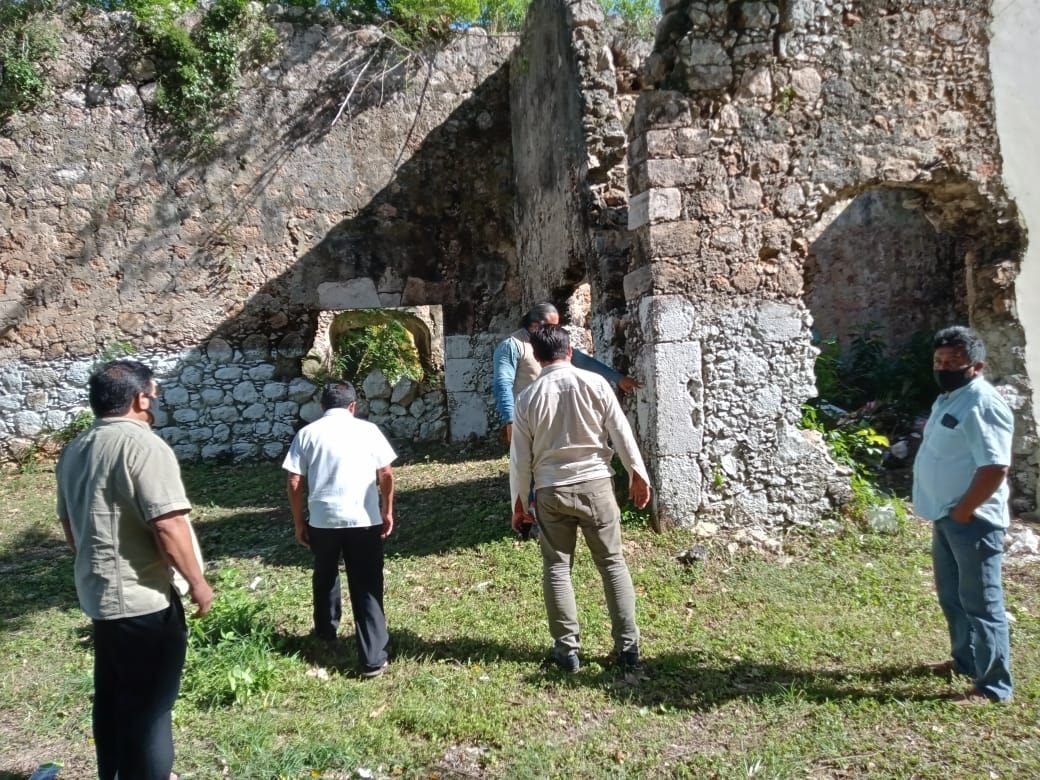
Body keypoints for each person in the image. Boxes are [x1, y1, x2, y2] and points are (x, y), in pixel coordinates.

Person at [56, 359, 213, 780]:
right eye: (154, 397)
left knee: (111, 698)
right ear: (141, 397)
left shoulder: (76, 448)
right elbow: (168, 523)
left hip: (100, 595)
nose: (154, 405)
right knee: (153, 708)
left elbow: (70, 526)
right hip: (144, 599)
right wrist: (198, 583)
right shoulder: (144, 446)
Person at [510, 324, 652, 673]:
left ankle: (567, 651)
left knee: (557, 568)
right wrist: (637, 474)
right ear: (570, 351)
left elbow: (520, 458)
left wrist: (518, 503)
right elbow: (621, 431)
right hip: (596, 485)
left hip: (550, 489)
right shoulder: (596, 384)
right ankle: (628, 648)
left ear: (538, 359)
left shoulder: (527, 398)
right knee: (613, 564)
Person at [912, 325, 1014, 704]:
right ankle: (966, 660)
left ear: (977, 365)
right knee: (953, 595)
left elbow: (994, 467)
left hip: (972, 520)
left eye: (953, 362)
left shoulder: (982, 402)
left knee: (982, 603)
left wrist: (964, 512)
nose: (943, 367)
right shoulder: (951, 396)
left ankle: (993, 686)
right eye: (939, 361)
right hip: (948, 515)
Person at [283, 380, 396, 678]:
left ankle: (325, 629)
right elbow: (385, 473)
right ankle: (372, 657)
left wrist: (299, 521)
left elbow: (294, 481)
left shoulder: (307, 434)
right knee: (367, 584)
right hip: (363, 519)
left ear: (322, 407)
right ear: (353, 406)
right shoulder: (368, 431)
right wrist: (387, 509)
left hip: (323, 519)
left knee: (325, 572)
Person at [492, 302, 641, 446]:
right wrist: (510, 420)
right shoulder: (512, 346)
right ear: (535, 325)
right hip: (528, 418)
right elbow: (503, 383)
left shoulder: (552, 342)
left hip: (557, 417)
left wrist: (618, 378)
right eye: (552, 326)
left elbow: (583, 361)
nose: (556, 330)